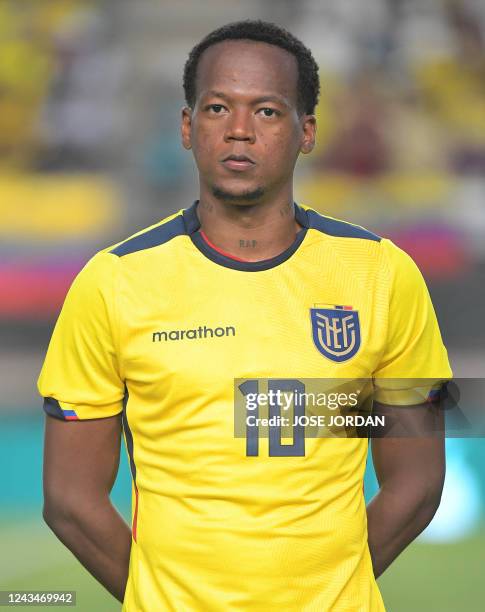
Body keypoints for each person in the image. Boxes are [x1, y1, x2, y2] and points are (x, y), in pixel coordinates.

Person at [38, 20, 452, 611]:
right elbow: (69, 500)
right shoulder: (113, 282)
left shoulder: (384, 275)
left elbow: (417, 483)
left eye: (266, 112)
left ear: (306, 131)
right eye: (216, 108)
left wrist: (324, 592)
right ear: (186, 127)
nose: (238, 131)